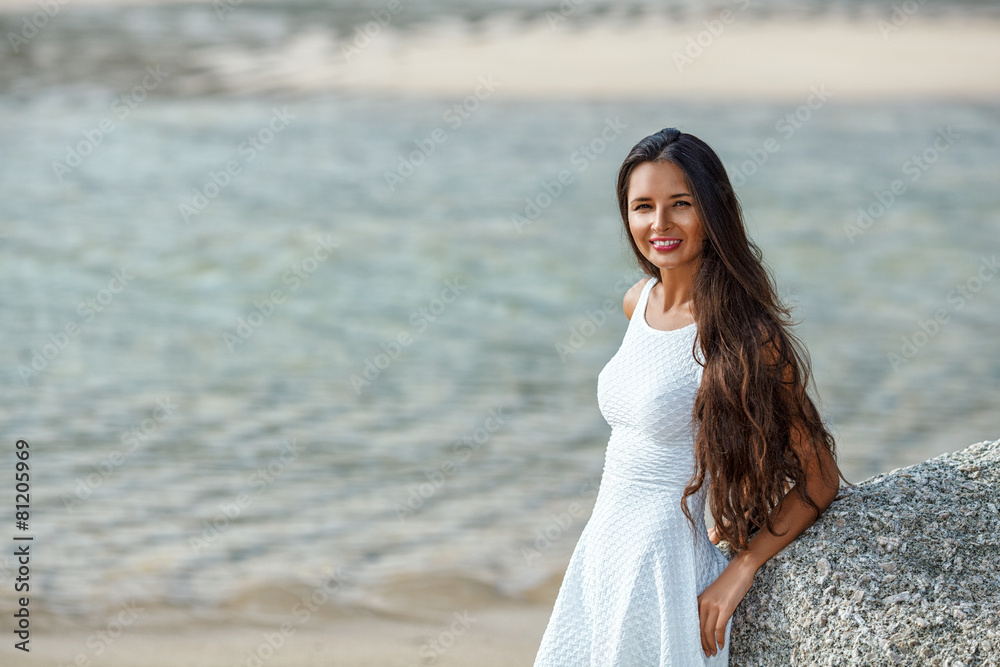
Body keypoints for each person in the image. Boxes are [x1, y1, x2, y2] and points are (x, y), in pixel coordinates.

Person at [532, 128, 843, 666]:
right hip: (602, 552)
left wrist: (740, 570)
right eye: (642, 207)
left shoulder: (748, 337)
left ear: (713, 210)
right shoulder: (638, 302)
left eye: (681, 204)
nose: (660, 225)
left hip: (666, 568)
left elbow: (820, 476)